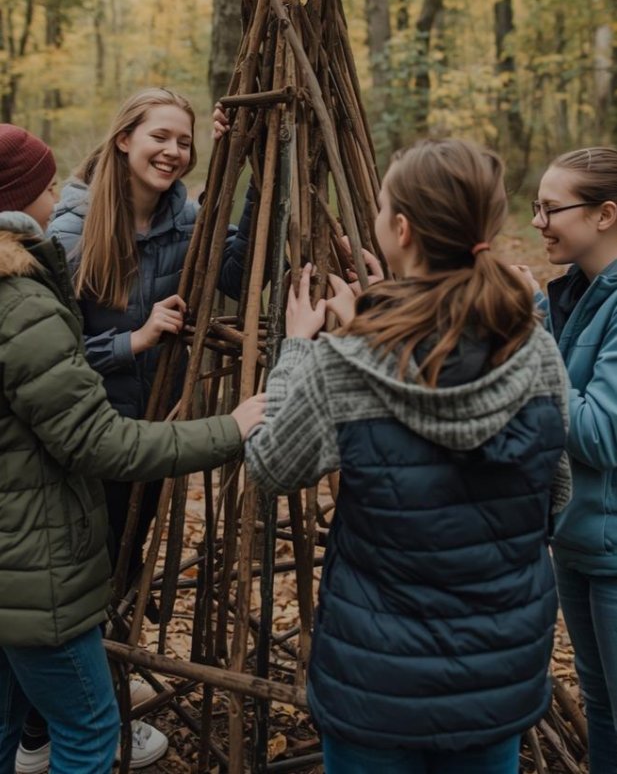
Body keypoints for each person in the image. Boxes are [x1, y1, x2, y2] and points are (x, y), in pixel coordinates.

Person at [245, 137, 571, 774]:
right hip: (495, 672)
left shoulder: (347, 363)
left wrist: (300, 353)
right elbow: (555, 492)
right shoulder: (532, 347)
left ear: (400, 230)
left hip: (376, 683)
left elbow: (271, 466)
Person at [0, 123, 265, 774]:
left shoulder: (180, 220)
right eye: (45, 182)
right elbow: (85, 427)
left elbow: (235, 268)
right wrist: (226, 428)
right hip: (45, 534)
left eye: (185, 139)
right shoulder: (32, 285)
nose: (57, 191)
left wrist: (250, 174)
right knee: (90, 728)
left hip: (73, 486)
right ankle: (47, 730)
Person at [527, 146, 617, 774]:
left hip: (613, 554)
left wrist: (533, 332)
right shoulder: (580, 293)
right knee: (603, 709)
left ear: (605, 214)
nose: (538, 222)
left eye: (550, 209)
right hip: (579, 541)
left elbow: (598, 433)